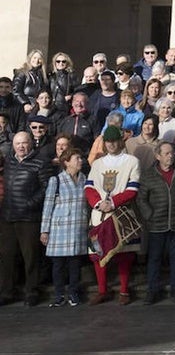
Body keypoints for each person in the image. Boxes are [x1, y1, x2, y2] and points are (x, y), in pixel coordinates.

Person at [85, 126, 141, 306]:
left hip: (120, 212)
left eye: (114, 141)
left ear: (120, 141)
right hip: (99, 214)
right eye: (108, 141)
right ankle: (102, 290)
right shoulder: (98, 163)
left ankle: (124, 290)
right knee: (97, 252)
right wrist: (98, 203)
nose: (111, 144)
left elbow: (132, 189)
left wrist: (113, 202)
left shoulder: (131, 161)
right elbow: (89, 187)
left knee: (124, 253)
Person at [0, 132, 54, 306]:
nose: (21, 146)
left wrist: (31, 203)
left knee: (30, 257)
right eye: (17, 143)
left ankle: (32, 291)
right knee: (7, 257)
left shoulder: (40, 162)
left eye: (24, 143)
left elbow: (47, 187)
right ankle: (7, 291)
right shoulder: (9, 161)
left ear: (31, 143)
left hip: (29, 217)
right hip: (8, 216)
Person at [137, 142, 175, 305]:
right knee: (154, 258)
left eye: (172, 153)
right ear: (158, 156)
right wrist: (150, 215)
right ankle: (153, 290)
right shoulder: (148, 174)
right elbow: (141, 198)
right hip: (156, 224)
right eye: (166, 153)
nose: (170, 156)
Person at [40, 147, 89, 307]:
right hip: (60, 228)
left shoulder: (84, 179)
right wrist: (44, 230)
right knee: (58, 264)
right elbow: (48, 206)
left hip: (78, 227)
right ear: (67, 162)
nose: (80, 161)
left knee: (75, 263)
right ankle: (59, 295)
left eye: (81, 158)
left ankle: (74, 293)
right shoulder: (57, 180)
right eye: (77, 158)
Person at [13, 49, 48, 114]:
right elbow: (16, 91)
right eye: (34, 58)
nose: (36, 61)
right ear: (30, 58)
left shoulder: (42, 75)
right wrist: (25, 103)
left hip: (38, 108)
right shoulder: (22, 73)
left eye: (39, 59)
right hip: (24, 108)